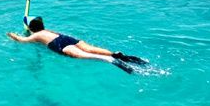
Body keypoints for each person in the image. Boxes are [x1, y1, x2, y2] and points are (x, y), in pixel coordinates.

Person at [9, 16, 148, 72]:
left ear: (31, 29)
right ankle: (114, 54)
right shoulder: (46, 30)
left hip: (58, 44)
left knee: (82, 55)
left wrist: (12, 35)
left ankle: (107, 59)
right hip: (66, 38)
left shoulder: (36, 35)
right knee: (90, 48)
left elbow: (22, 41)